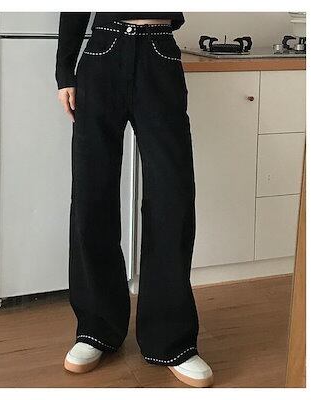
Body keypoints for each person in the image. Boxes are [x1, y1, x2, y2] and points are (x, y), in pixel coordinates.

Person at [55, 12, 213, 387]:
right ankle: (96, 328)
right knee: (92, 194)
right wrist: (64, 73)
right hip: (102, 53)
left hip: (160, 52)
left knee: (172, 198)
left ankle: (170, 339)